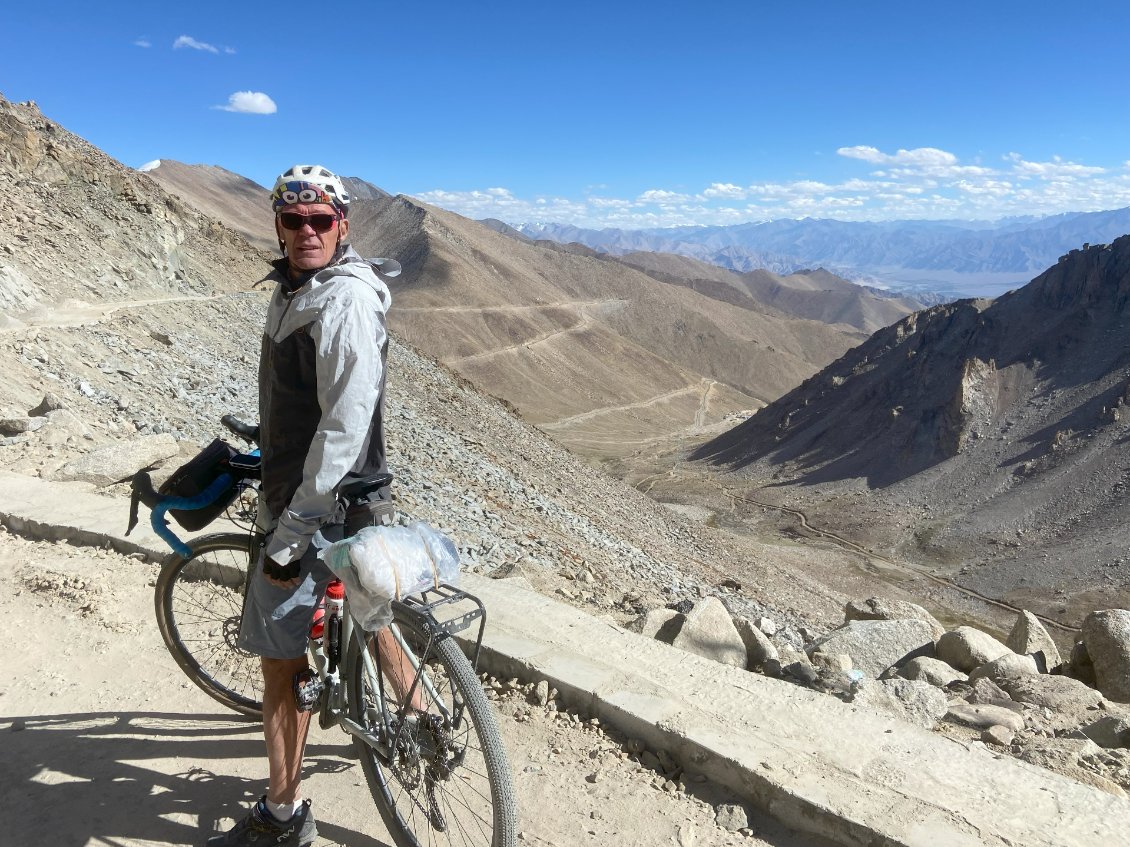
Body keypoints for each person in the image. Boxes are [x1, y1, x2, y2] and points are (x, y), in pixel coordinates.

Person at [207, 164, 404, 847]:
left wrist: (290, 534)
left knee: (283, 667)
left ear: (343, 225)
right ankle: (425, 724)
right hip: (355, 500)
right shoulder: (301, 288)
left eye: (321, 220)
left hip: (311, 508)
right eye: (294, 221)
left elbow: (344, 427)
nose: (307, 231)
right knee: (374, 617)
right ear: (279, 224)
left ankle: (283, 815)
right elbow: (316, 402)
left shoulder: (340, 300)